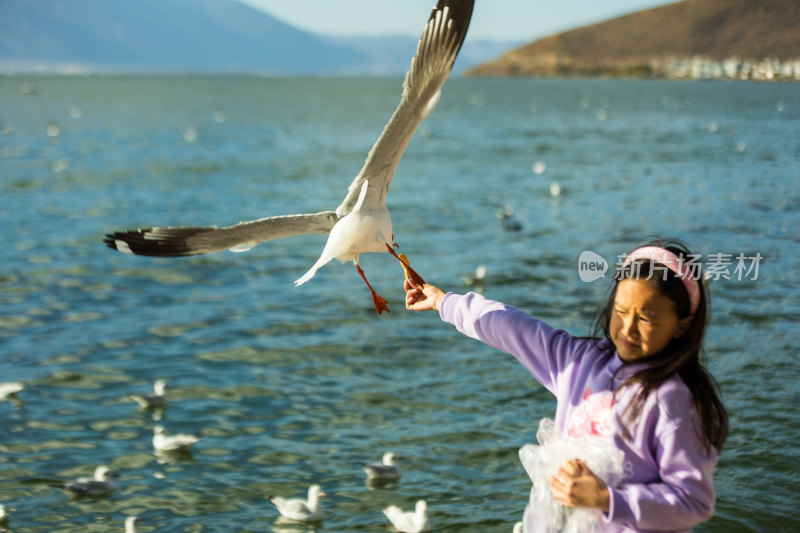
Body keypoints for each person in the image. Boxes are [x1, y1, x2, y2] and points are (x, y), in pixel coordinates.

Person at [404, 238, 728, 532]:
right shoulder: (580, 361)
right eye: (621, 311)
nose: (628, 328)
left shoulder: (673, 401)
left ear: (682, 326)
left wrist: (607, 499)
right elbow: (514, 329)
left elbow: (693, 502)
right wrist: (444, 302)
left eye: (647, 318)